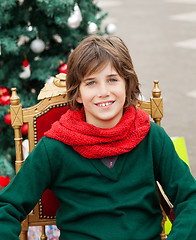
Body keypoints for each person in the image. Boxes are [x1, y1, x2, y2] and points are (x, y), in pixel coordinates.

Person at [0, 35, 196, 240]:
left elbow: (190, 198)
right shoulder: (55, 146)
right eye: (91, 82)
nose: (103, 92)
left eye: (112, 79)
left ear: (127, 84)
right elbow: (7, 207)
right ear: (77, 93)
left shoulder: (150, 136)